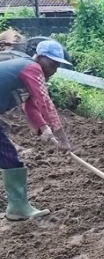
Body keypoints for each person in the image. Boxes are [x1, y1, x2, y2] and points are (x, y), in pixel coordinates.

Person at [0, 40, 72, 221]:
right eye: (51, 64)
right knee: (8, 156)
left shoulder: (26, 69)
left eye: (57, 66)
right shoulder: (32, 68)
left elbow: (30, 106)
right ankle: (18, 207)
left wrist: (43, 128)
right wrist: (62, 138)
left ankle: (18, 207)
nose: (54, 70)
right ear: (39, 57)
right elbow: (45, 102)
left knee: (8, 155)